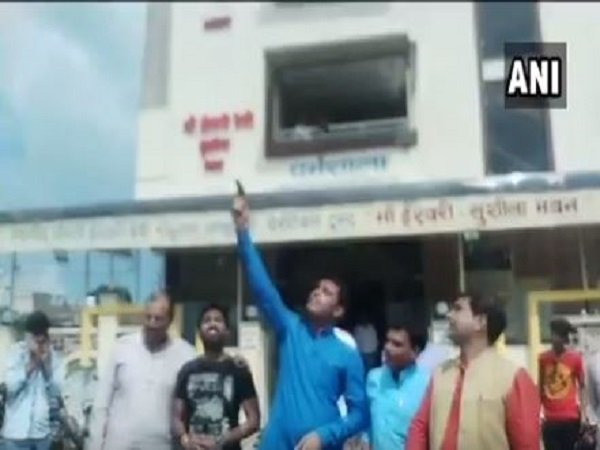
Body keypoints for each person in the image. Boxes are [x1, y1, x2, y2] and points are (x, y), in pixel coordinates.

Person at [232, 185, 369, 450]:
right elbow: (262, 288)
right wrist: (242, 231)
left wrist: (325, 435)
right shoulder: (291, 329)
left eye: (326, 292)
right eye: (316, 288)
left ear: (338, 310)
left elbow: (360, 414)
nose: (316, 292)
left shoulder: (347, 353)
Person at [406, 292, 541, 450]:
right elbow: (420, 428)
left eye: (458, 309)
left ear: (480, 322)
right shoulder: (440, 373)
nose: (449, 315)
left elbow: (527, 444)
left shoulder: (512, 377)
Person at [87, 291, 196, 450]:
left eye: (158, 318)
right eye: (148, 317)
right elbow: (101, 403)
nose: (152, 323)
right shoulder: (122, 347)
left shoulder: (186, 355)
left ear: (170, 320)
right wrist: (95, 445)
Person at [173, 303, 260, 450]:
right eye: (207, 320)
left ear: (227, 331)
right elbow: (176, 417)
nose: (212, 324)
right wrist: (185, 440)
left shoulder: (238, 370)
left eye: (218, 320)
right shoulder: (187, 371)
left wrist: (222, 440)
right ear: (199, 331)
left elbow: (253, 420)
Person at [363, 319, 430, 450]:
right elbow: (367, 422)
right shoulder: (374, 378)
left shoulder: (428, 385)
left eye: (397, 344)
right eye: (387, 341)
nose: (388, 348)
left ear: (415, 351)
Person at [2, 311, 64, 450]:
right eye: (35, 336)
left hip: (42, 434)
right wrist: (31, 365)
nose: (39, 341)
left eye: (42, 336)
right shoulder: (15, 353)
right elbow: (10, 387)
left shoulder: (53, 357)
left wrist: (47, 367)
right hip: (15, 434)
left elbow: (57, 392)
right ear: (28, 336)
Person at [539, 318, 588, 450]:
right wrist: (538, 413)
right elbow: (541, 386)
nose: (560, 339)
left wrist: (584, 414)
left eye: (563, 336)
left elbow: (582, 386)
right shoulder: (543, 359)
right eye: (557, 335)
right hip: (550, 419)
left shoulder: (575, 358)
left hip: (570, 418)